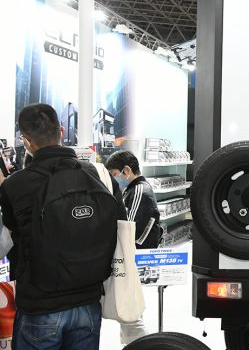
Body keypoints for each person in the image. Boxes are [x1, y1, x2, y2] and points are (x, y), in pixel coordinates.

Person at [0, 103, 126, 350]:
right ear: (61, 131)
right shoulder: (97, 174)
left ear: (26, 141)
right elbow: (120, 221)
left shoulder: (15, 185)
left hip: (40, 305)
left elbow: (9, 237)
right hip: (89, 302)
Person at [105, 150, 162, 345]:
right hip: (132, 256)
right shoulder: (132, 189)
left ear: (126, 170)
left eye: (114, 174)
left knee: (130, 311)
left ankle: (142, 345)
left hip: (135, 256)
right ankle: (133, 344)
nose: (114, 179)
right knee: (128, 309)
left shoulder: (139, 191)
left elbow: (130, 228)